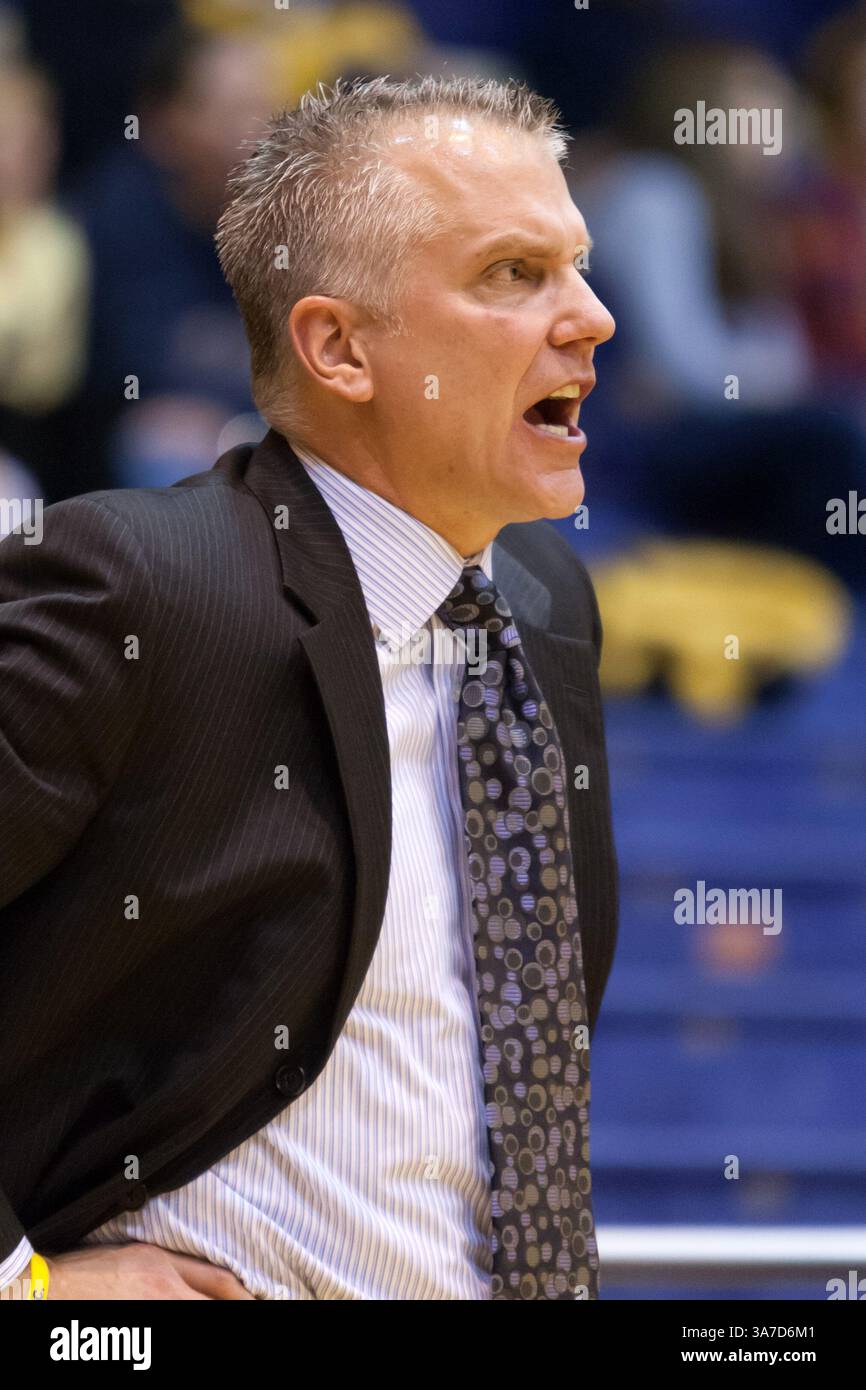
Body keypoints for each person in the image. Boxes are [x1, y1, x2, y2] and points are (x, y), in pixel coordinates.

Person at [0, 75, 618, 1301]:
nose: (592, 317)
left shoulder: (545, 599)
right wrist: (25, 1284)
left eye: (578, 264)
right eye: (511, 274)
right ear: (337, 347)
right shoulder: (140, 582)